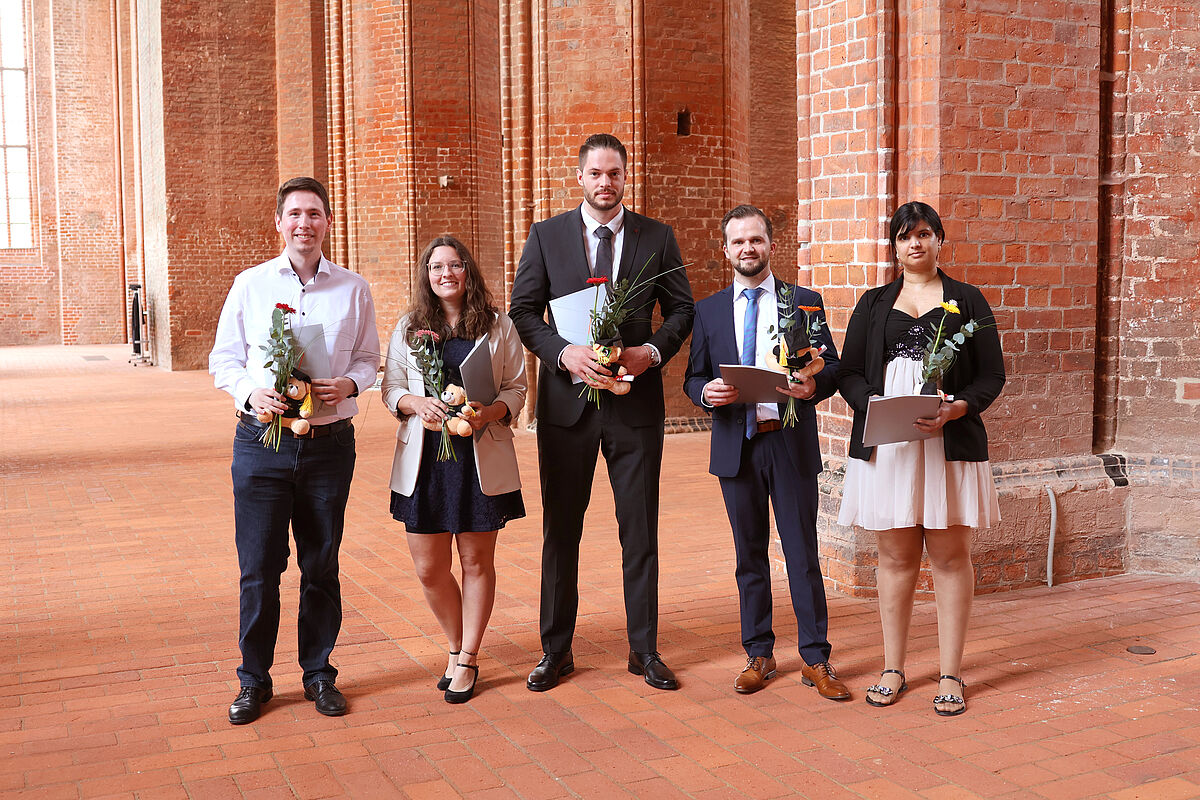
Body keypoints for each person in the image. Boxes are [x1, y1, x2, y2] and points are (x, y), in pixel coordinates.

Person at [508, 133, 695, 691]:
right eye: (596, 173)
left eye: (614, 173)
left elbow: (682, 309)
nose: (606, 182)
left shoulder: (656, 237)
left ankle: (644, 650)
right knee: (560, 532)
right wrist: (563, 353)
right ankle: (555, 651)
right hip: (567, 410)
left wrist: (653, 352)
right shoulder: (546, 236)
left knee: (639, 531)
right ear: (581, 177)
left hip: (635, 408)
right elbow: (523, 309)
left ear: (624, 177)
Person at [209, 177, 380, 724]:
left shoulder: (353, 288)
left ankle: (318, 674)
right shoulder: (251, 284)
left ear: (328, 222)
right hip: (261, 442)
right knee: (258, 567)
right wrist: (248, 391)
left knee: (320, 563)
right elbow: (224, 359)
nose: (304, 223)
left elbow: (369, 358)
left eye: (314, 214)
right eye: (295, 214)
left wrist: (348, 387)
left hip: (328, 444)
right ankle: (253, 681)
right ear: (279, 223)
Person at [837, 201, 1004, 716]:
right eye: (906, 236)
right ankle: (893, 666)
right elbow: (848, 373)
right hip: (890, 448)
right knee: (895, 557)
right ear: (894, 245)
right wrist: (878, 410)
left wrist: (957, 409)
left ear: (939, 240)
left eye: (925, 234)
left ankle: (951, 673)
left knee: (951, 558)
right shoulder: (872, 303)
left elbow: (991, 376)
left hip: (948, 446)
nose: (916, 243)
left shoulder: (969, 301)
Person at [683, 204, 849, 699]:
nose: (747, 249)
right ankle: (758, 652)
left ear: (771, 245)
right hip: (737, 445)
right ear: (726, 250)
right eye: (738, 242)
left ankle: (816, 659)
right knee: (748, 554)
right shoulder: (709, 310)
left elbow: (833, 367)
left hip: (789, 442)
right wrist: (704, 394)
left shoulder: (803, 301)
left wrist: (811, 387)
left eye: (755, 239)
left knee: (802, 552)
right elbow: (694, 375)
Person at [381, 235, 527, 704]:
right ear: (427, 274)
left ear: (469, 271)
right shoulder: (409, 326)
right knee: (429, 569)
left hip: (479, 456)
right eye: (437, 266)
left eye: (455, 265)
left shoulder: (498, 325)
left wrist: (490, 413)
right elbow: (390, 390)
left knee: (476, 562)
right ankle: (454, 642)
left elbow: (518, 389)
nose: (446, 274)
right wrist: (414, 402)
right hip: (425, 460)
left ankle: (467, 657)